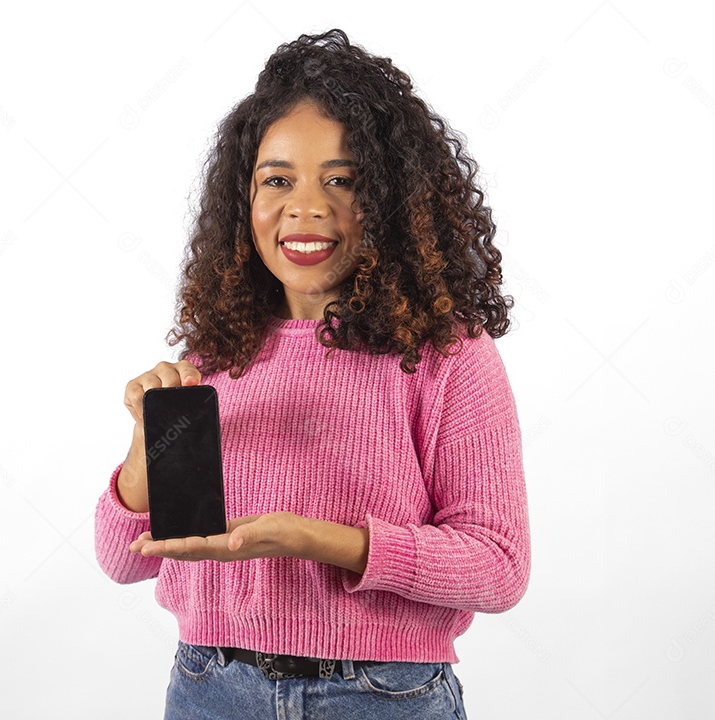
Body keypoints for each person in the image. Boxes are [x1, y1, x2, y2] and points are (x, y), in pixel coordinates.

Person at [94, 28, 530, 720]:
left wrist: (309, 539)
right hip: (212, 689)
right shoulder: (216, 351)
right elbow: (124, 560)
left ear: (390, 198)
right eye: (278, 180)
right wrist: (148, 439)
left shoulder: (445, 353)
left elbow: (497, 567)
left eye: (343, 180)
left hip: (382, 696)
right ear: (245, 200)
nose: (307, 207)